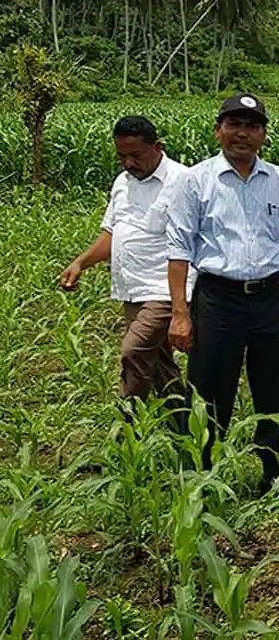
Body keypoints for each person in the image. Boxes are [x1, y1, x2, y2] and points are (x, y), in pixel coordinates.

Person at [165, 93, 279, 496]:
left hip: (271, 298)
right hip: (217, 299)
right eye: (233, 124)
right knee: (210, 387)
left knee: (275, 386)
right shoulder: (196, 181)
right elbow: (179, 250)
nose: (241, 133)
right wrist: (180, 312)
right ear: (218, 130)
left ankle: (276, 474)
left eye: (251, 125)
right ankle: (201, 477)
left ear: (263, 133)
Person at [60, 115, 196, 428]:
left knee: (133, 352)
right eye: (121, 155)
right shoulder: (123, 183)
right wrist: (81, 262)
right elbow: (112, 232)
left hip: (165, 290)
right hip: (131, 286)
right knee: (160, 364)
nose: (128, 163)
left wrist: (182, 308)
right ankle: (183, 428)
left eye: (135, 155)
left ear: (157, 147)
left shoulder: (184, 181)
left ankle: (127, 429)